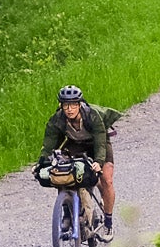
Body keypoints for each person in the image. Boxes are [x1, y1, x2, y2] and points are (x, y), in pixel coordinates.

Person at [39, 85, 116, 239]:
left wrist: (98, 162)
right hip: (76, 144)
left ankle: (108, 223)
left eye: (73, 104)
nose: (69, 109)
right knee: (61, 172)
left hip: (97, 144)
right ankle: (67, 212)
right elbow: (49, 144)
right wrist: (41, 163)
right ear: (61, 105)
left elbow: (100, 142)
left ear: (79, 104)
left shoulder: (92, 116)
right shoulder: (57, 119)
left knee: (106, 180)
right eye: (66, 105)